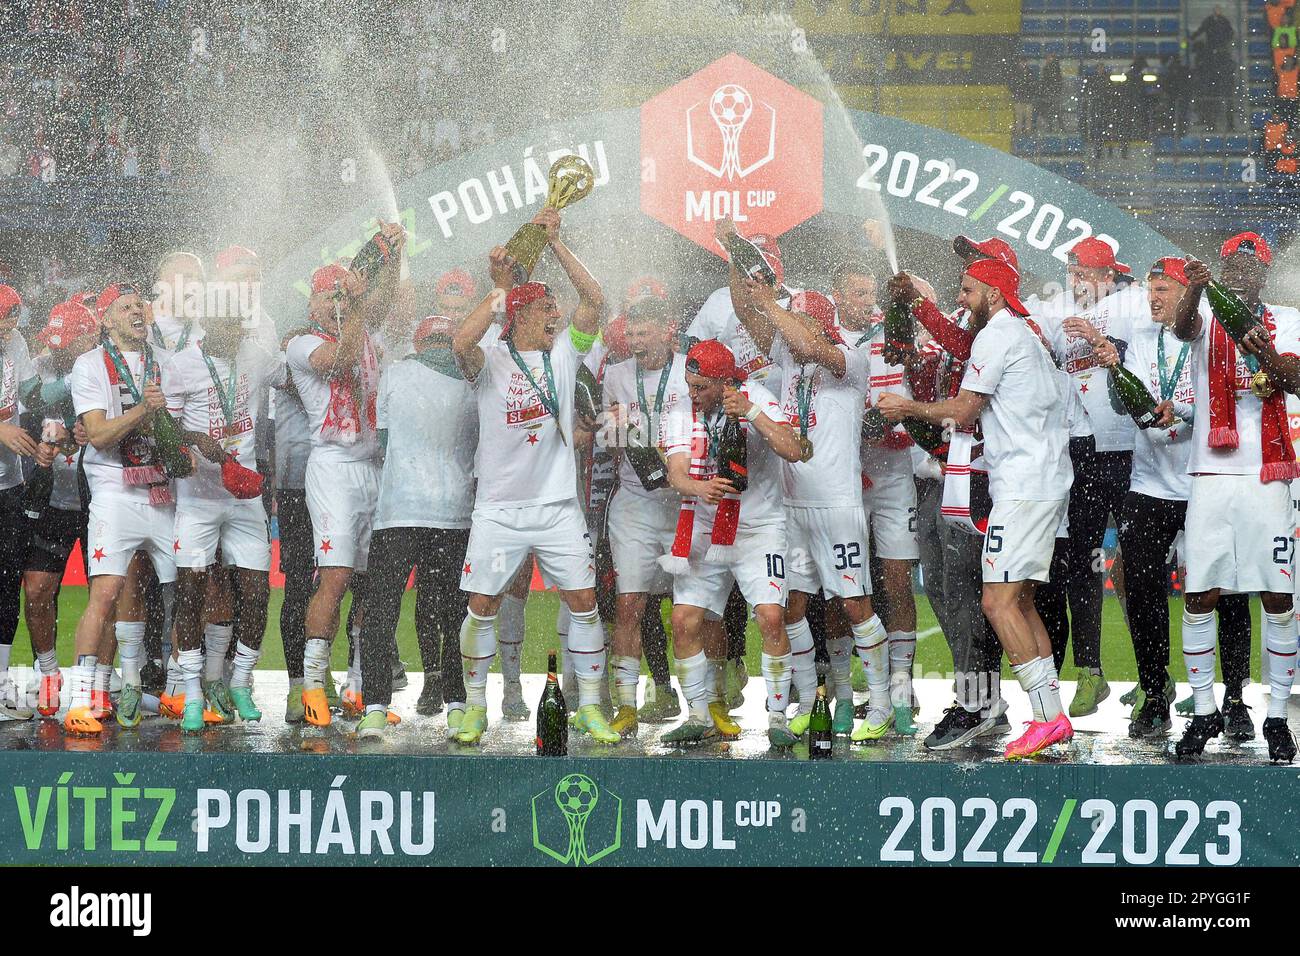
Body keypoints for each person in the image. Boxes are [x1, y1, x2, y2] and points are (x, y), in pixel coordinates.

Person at [879, 257, 1074, 760]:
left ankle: (1042, 718)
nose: (960, 298)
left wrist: (907, 410)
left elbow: (964, 409)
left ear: (993, 291)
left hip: (1023, 487)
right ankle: (1053, 715)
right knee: (1022, 601)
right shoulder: (1021, 334)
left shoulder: (998, 335)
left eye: (966, 289)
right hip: (1041, 482)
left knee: (997, 603)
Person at [450, 209, 614, 745]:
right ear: (520, 317)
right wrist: (500, 291)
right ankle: (476, 707)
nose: (557, 313)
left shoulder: (565, 353)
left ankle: (589, 707)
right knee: (483, 605)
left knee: (583, 601)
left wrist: (557, 245)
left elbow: (595, 300)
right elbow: (459, 342)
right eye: (546, 307)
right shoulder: (492, 359)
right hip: (499, 507)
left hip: (557, 507)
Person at [1172, 233, 1299, 763]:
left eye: (1251, 266)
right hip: (1210, 475)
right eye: (1232, 265)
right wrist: (1193, 291)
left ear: (1265, 273)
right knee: (1200, 594)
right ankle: (1203, 713)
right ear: (1221, 272)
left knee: (1277, 599)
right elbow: (1181, 329)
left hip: (1266, 477)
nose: (1242, 273)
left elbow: (1295, 378)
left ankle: (1276, 717)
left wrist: (1263, 350)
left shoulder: (1287, 318)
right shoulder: (1205, 314)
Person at [744, 284, 889, 742]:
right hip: (792, 507)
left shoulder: (850, 359)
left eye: (798, 317)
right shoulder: (787, 357)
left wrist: (772, 304)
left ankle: (883, 703)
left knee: (854, 604)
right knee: (792, 606)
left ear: (819, 324)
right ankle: (808, 702)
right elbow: (750, 318)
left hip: (837, 505)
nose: (788, 328)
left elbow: (809, 343)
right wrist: (734, 256)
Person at [891, 236, 1016, 749]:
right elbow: (919, 359)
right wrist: (904, 313)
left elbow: (962, 362)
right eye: (964, 265)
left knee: (967, 595)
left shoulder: (999, 331)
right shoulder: (961, 331)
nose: (964, 277)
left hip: (978, 481)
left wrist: (919, 305)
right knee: (942, 593)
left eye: (975, 267)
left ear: (1000, 278)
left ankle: (976, 701)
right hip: (937, 478)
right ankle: (983, 696)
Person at [285, 222, 405, 728]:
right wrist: (354, 305)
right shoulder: (300, 342)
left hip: (372, 466)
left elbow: (393, 308)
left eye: (341, 293)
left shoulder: (367, 329)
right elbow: (339, 363)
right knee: (334, 577)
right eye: (327, 295)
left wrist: (393, 256)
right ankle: (313, 685)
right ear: (312, 303)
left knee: (371, 584)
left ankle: (360, 685)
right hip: (332, 466)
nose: (334, 302)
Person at [660, 339, 803, 746]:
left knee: (771, 618)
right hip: (705, 531)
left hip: (759, 529)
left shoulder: (757, 397)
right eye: (690, 385)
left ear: (725, 382)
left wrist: (752, 414)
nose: (693, 394)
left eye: (701, 387)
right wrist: (699, 487)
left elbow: (793, 450)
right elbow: (676, 474)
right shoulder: (679, 411)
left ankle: (776, 718)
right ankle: (698, 715)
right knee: (683, 620)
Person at [162, 291, 284, 731]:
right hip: (198, 496)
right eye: (230, 326)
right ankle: (192, 692)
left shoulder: (255, 353)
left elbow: (287, 374)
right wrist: (195, 437)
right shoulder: (182, 365)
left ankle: (241, 681)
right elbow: (166, 428)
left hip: (245, 492)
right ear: (210, 325)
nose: (238, 334)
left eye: (242, 326)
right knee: (191, 591)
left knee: (256, 591)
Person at [355, 315, 476, 739]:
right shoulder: (472, 382)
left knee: (381, 612)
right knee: (454, 612)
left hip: (400, 511)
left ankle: (374, 706)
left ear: (418, 343)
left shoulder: (396, 373)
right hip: (454, 511)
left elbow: (384, 441)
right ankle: (458, 704)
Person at [1044, 237, 1149, 717]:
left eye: (1084, 272)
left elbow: (1146, 357)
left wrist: (1103, 341)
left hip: (1127, 447)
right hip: (1079, 450)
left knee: (1138, 566)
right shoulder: (1061, 310)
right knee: (1080, 564)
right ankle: (1091, 671)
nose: (1076, 280)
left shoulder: (1130, 304)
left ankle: (1154, 678)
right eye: (1071, 270)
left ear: (1108, 275)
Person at [66, 284, 178, 735]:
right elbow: (96, 434)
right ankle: (78, 700)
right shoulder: (89, 364)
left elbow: (178, 424)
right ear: (106, 320)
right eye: (124, 308)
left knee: (186, 587)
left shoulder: (166, 362)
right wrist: (142, 411)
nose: (136, 312)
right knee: (106, 591)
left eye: (139, 306)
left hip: (162, 491)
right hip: (113, 491)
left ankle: (179, 689)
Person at [602, 295, 689, 735]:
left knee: (690, 610)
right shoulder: (616, 376)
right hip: (634, 503)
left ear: (666, 329)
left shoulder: (688, 371)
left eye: (644, 332)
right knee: (629, 604)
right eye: (630, 334)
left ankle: (703, 706)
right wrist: (612, 424)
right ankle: (626, 705)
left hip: (683, 502)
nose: (636, 341)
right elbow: (606, 438)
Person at [22, 298, 99, 719]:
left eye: (68, 345)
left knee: (105, 592)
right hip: (51, 500)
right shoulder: (42, 367)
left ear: (87, 337)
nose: (58, 351)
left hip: (99, 499)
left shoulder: (106, 365)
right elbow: (26, 398)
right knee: (36, 588)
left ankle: (99, 682)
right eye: (57, 346)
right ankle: (48, 673)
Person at [0, 284, 38, 720]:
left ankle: (1, 681)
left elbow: (36, 391)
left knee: (7, 585)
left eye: (14, 316)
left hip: (8, 485)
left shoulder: (16, 341)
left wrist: (69, 418)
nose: (11, 325)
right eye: (5, 317)